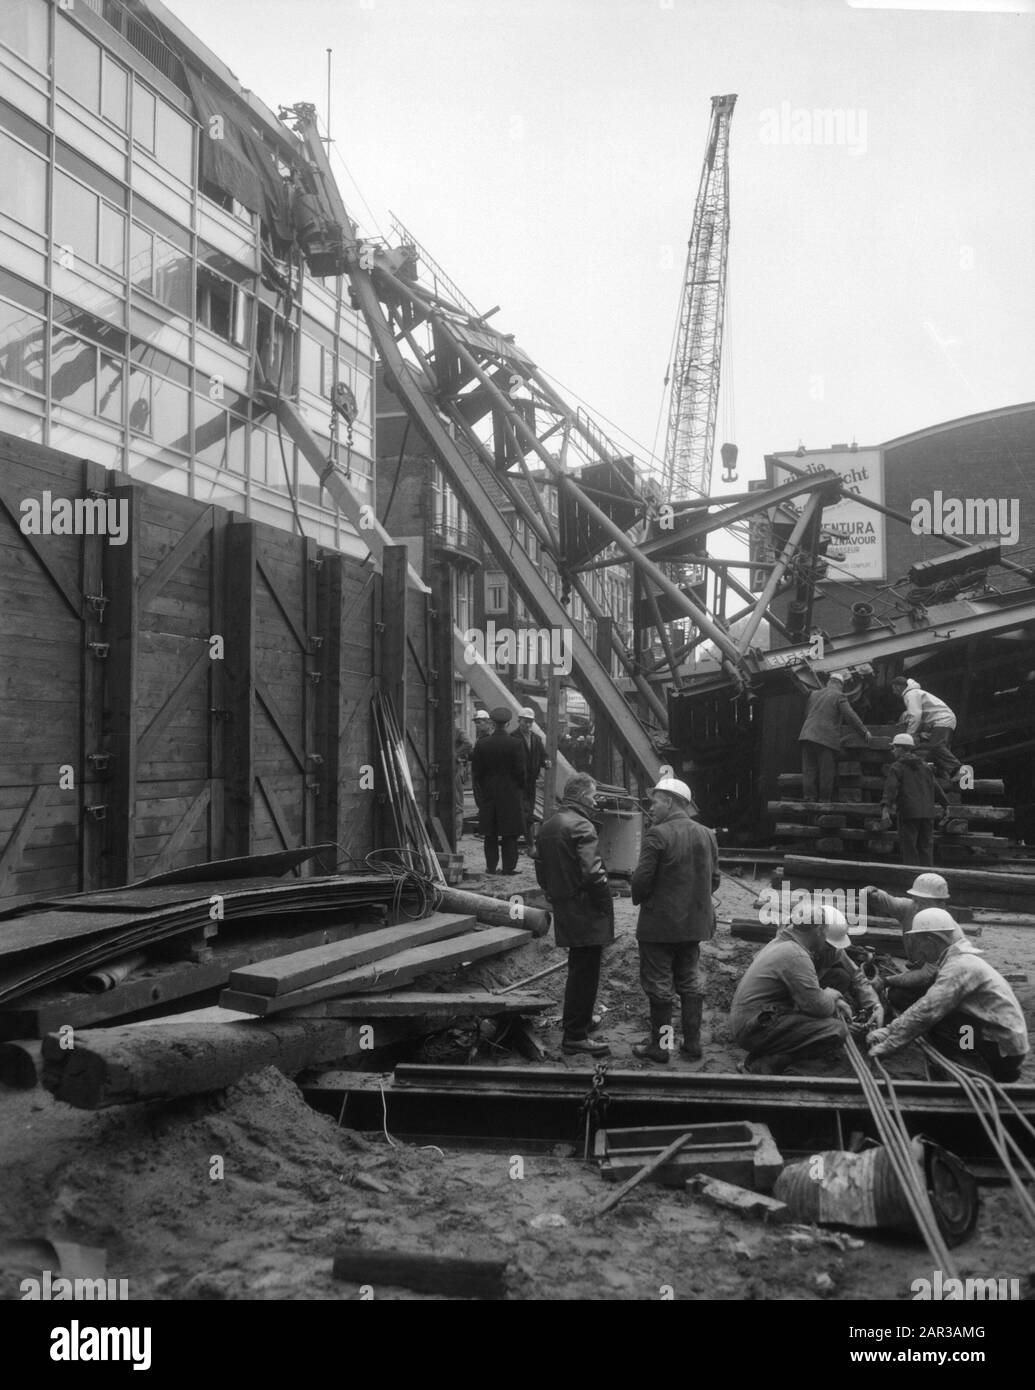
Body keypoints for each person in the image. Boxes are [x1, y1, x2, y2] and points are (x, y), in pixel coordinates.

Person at [868, 909, 1029, 1082]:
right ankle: (984, 1065)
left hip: (1003, 1049)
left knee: (944, 1025)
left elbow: (926, 1010)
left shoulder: (959, 967)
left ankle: (975, 1073)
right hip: (1001, 1042)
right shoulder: (959, 960)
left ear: (931, 941)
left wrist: (889, 1042)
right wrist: (890, 1031)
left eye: (920, 942)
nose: (919, 949)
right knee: (947, 1019)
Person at [630, 778, 719, 1064]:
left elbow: (641, 882)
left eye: (655, 801)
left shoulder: (658, 835)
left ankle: (661, 1046)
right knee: (690, 981)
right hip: (694, 927)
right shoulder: (707, 834)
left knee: (659, 985)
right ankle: (692, 1045)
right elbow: (713, 880)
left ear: (670, 801)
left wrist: (647, 896)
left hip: (659, 927)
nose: (651, 807)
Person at [534, 773, 614, 1057]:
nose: (595, 803)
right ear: (581, 797)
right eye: (592, 797)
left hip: (565, 905)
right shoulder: (582, 825)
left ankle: (577, 1025)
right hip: (586, 910)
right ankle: (575, 1037)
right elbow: (593, 873)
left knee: (578, 969)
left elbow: (540, 870)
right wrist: (605, 903)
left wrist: (555, 893)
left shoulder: (549, 825)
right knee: (586, 973)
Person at [730, 911, 854, 1075]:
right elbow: (819, 1008)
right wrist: (830, 996)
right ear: (817, 930)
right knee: (835, 1030)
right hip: (753, 1028)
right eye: (825, 933)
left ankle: (763, 1062)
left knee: (823, 1016)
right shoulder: (796, 955)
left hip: (754, 1018)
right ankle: (767, 1067)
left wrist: (830, 998)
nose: (825, 939)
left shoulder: (783, 943)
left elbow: (808, 997)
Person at [861, 872, 955, 1012]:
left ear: (940, 904)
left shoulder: (948, 931)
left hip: (943, 982)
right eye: (915, 900)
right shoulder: (909, 908)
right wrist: (872, 892)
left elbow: (927, 974)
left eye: (922, 903)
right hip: (921, 973)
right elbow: (889, 902)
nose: (916, 906)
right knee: (896, 995)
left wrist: (886, 981)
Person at [798, 671, 871, 802]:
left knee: (809, 770)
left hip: (806, 735)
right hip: (824, 738)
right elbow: (850, 716)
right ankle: (824, 800)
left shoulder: (814, 694)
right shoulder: (839, 695)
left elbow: (808, 713)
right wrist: (864, 731)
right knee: (826, 771)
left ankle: (809, 798)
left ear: (828, 682)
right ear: (841, 685)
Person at [807, 904, 883, 1028]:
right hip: (798, 992)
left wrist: (876, 1005)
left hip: (813, 985)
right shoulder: (796, 952)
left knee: (842, 977)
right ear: (817, 934)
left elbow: (856, 976)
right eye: (829, 945)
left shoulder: (832, 949)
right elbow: (798, 989)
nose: (831, 949)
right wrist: (829, 998)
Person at [470, 707, 525, 875]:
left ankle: (491, 867)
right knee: (510, 834)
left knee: (490, 834)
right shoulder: (516, 744)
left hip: (490, 795)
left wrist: (485, 789)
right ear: (508, 723)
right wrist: (518, 789)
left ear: (492, 723)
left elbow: (477, 773)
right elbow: (521, 772)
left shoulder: (482, 744)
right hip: (510, 795)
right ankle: (508, 868)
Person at [880, 733, 950, 866]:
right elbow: (936, 787)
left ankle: (911, 879)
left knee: (909, 849)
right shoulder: (925, 766)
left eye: (894, 748)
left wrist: (885, 810)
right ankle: (928, 879)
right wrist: (946, 805)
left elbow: (890, 790)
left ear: (901, 749)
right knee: (926, 849)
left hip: (909, 814)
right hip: (927, 814)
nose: (892, 751)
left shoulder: (897, 767)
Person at [890, 676, 962, 782]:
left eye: (893, 688)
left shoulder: (910, 694)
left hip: (942, 718)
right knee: (934, 749)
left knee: (936, 745)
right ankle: (946, 775)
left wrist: (909, 735)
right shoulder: (915, 693)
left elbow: (915, 715)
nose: (893, 691)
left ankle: (960, 770)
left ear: (898, 687)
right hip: (941, 719)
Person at [511, 707, 550, 853]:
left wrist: (546, 762)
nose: (527, 725)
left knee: (529, 812)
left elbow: (542, 756)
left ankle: (529, 844)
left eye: (530, 722)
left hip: (531, 782)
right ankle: (521, 845)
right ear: (519, 721)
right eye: (525, 722)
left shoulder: (536, 739)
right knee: (520, 812)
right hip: (517, 782)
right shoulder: (513, 737)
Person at [453, 725, 473, 841]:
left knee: (457, 804)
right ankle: (456, 834)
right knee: (456, 803)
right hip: (454, 770)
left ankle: (456, 834)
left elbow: (469, 743)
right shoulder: (457, 730)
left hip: (454, 770)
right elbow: (468, 743)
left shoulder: (457, 731)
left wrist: (455, 754)